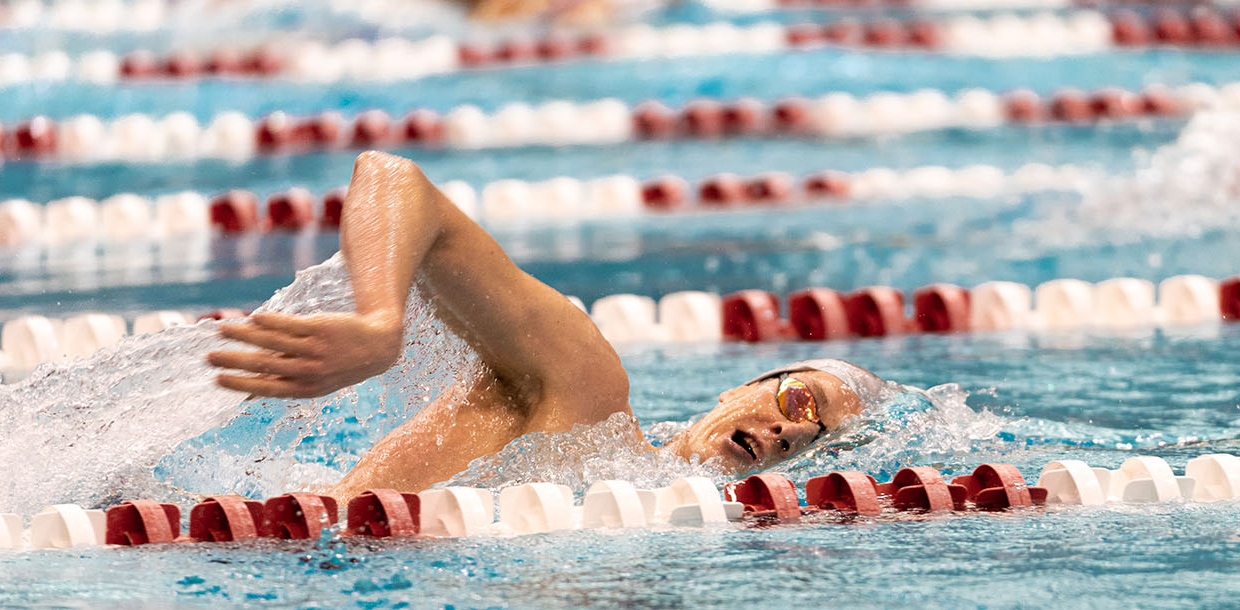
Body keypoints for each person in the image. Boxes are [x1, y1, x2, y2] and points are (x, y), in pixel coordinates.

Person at [206, 152, 883, 499]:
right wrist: (380, 322)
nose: (794, 430)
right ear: (742, 388)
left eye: (818, 440)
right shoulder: (585, 395)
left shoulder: (644, 503)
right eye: (801, 401)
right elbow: (392, 178)